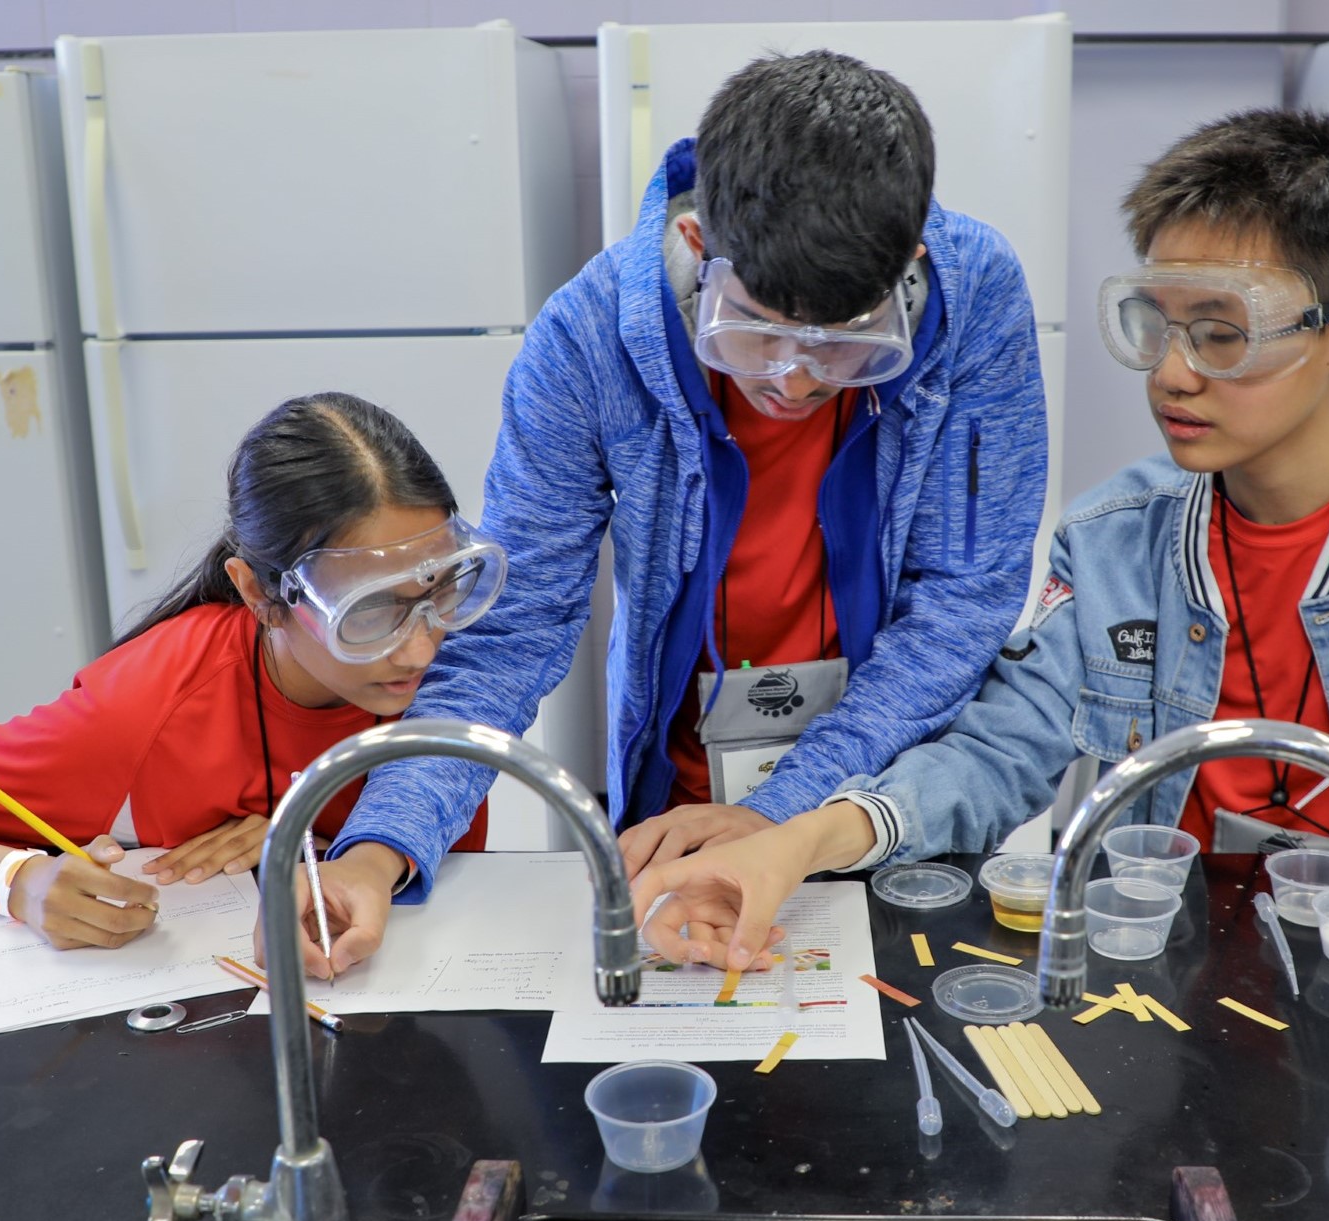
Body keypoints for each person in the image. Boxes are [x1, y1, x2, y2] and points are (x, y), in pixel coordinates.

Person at [629, 107, 1329, 969]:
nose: (1171, 372)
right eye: (1155, 324)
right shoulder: (1112, 543)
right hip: (1181, 988)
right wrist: (798, 838)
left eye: (1222, 333)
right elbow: (992, 751)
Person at [320, 48, 1049, 931]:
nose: (795, 382)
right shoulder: (587, 338)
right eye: (757, 334)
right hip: (683, 804)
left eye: (844, 344)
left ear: (910, 263)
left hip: (888, 805)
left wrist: (791, 813)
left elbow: (965, 598)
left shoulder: (976, 295)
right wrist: (373, 849)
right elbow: (510, 629)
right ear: (700, 246)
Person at [0, 392, 496, 975]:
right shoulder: (154, 697)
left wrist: (301, 842)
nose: (422, 646)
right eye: (368, 612)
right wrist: (16, 883)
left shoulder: (461, 665)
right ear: (258, 592)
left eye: (440, 589)